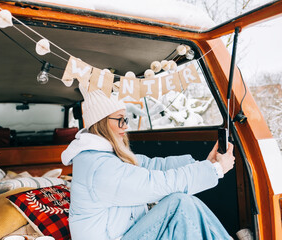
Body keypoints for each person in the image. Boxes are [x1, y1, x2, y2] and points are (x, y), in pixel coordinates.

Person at [61, 85, 235, 240]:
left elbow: (152, 166)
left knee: (181, 206)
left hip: (125, 232)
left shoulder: (106, 156)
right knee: (179, 204)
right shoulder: (99, 168)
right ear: (102, 123)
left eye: (126, 119)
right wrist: (214, 170)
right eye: (120, 119)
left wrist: (204, 163)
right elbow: (156, 183)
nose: (125, 126)